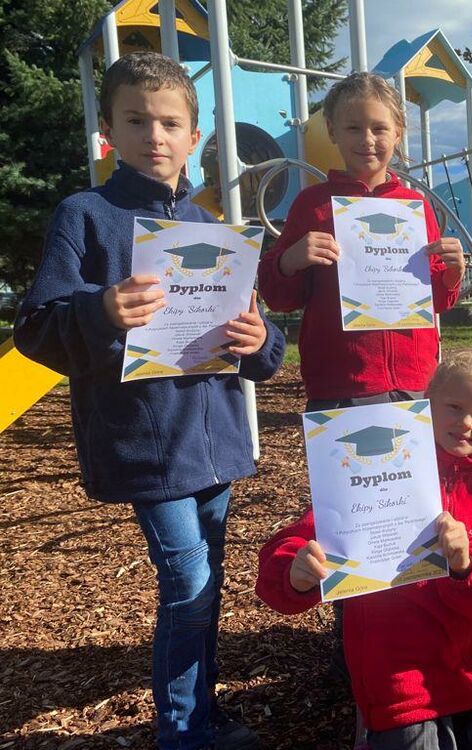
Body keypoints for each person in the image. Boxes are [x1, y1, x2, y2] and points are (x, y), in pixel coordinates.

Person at [13, 52, 284, 750]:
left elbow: (261, 348)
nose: (154, 135)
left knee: (205, 583)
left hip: (215, 438)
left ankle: (202, 711)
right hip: (146, 442)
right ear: (108, 130)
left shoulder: (211, 227)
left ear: (195, 136)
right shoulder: (86, 215)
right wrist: (102, 310)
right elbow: (36, 327)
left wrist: (259, 339)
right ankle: (182, 730)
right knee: (188, 581)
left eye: (169, 123)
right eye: (136, 120)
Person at [255, 350, 472, 750]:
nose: (466, 423)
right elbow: (296, 541)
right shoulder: (368, 474)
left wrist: (468, 565)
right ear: (426, 403)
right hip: (397, 680)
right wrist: (294, 573)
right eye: (454, 407)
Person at [257, 72, 465, 413]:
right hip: (340, 384)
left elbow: (436, 302)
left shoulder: (416, 206)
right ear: (332, 131)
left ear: (398, 132)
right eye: (353, 128)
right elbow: (278, 297)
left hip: (415, 383)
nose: (367, 139)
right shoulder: (313, 205)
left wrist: (452, 274)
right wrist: (289, 261)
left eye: (379, 128)